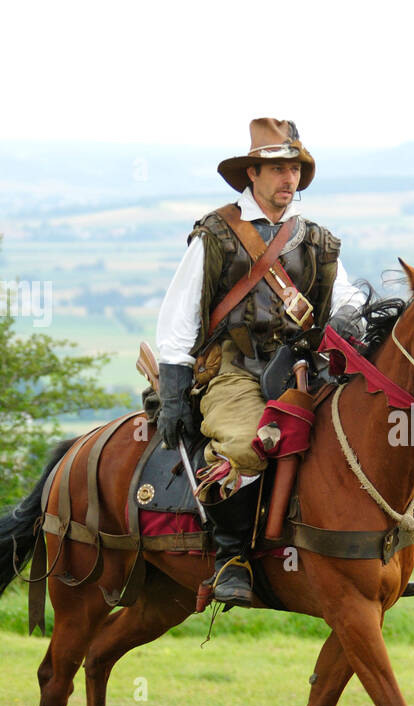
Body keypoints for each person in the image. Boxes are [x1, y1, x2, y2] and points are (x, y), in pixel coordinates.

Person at [155, 118, 366, 606]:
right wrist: (173, 390)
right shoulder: (215, 234)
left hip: (301, 365)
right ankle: (231, 555)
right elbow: (179, 315)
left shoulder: (314, 238)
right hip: (232, 367)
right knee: (247, 447)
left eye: (293, 168)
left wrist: (354, 322)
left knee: (364, 431)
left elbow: (346, 297)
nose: (287, 179)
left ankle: (365, 557)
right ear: (252, 173)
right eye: (276, 168)